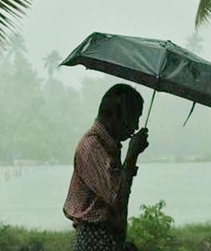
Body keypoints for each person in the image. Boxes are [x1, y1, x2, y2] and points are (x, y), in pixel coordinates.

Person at [63, 83, 149, 250]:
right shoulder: (93, 147)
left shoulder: (108, 147)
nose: (136, 126)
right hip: (96, 241)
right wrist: (132, 156)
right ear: (119, 114)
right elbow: (117, 198)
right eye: (135, 118)